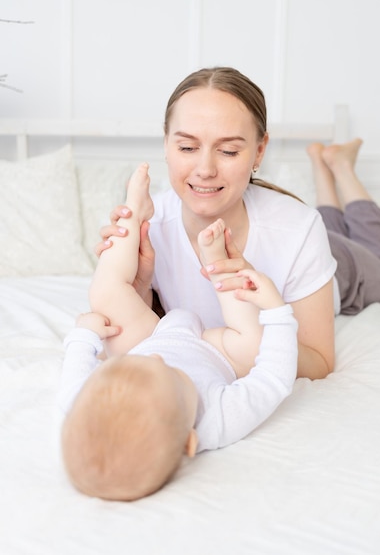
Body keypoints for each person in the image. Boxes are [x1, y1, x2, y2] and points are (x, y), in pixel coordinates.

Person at [59, 163, 298, 501]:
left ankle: (133, 216)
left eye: (145, 366)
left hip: (146, 338)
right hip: (216, 350)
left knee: (104, 294)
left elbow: (72, 385)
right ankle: (218, 265)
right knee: (252, 347)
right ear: (190, 441)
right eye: (167, 372)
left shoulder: (84, 411)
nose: (159, 359)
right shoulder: (217, 421)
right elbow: (272, 381)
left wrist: (83, 336)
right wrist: (276, 313)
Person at [98, 67, 338, 381]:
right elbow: (137, 334)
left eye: (228, 151)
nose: (205, 169)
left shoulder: (299, 230)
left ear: (259, 151)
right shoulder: (151, 225)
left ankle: (338, 171)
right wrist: (139, 287)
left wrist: (252, 311)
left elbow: (320, 361)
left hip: (348, 268)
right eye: (187, 148)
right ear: (166, 144)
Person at [306, 138, 380, 314]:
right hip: (325, 247)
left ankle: (341, 167)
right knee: (328, 241)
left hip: (330, 256)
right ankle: (325, 167)